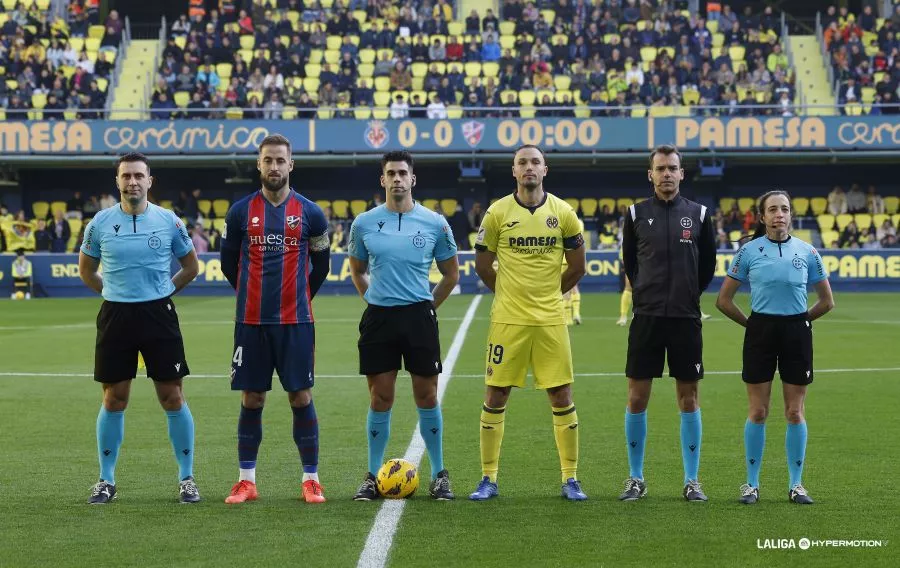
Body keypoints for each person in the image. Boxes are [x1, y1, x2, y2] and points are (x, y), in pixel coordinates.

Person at [78, 152, 200, 504]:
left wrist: (162, 294)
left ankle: (187, 478)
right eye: (126, 176)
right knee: (114, 398)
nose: (132, 181)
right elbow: (86, 270)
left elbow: (190, 266)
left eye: (138, 176)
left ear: (150, 181)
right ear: (117, 181)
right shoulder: (99, 223)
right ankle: (106, 480)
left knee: (172, 395)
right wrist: (113, 294)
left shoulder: (168, 220)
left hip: (158, 315)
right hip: (116, 316)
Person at [470, 144, 588, 501]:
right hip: (508, 320)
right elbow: (482, 265)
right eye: (522, 162)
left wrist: (552, 295)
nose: (529, 168)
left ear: (545, 169)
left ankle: (570, 479)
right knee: (496, 393)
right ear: (514, 171)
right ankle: (488, 478)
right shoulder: (497, 213)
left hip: (551, 319)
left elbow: (578, 267)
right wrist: (507, 294)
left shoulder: (564, 213)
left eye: (535, 162)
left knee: (561, 393)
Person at [219, 134, 331, 505]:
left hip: (296, 322)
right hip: (250, 323)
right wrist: (252, 297)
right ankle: (246, 481)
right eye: (268, 160)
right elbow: (227, 264)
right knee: (252, 398)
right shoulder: (239, 212)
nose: (274, 167)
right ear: (259, 164)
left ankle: (311, 479)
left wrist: (298, 298)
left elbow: (322, 266)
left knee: (300, 397)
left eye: (280, 160)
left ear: (291, 164)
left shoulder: (311, 213)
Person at [348, 150, 460, 501]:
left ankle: (439, 474)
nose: (397, 179)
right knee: (380, 397)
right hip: (379, 318)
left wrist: (428, 307)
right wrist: (373, 300)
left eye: (402, 173)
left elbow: (450, 274)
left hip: (418, 318)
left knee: (427, 396)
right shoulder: (363, 223)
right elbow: (357, 269)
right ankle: (371, 475)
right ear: (382, 180)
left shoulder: (435, 223)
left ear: (413, 179)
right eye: (391, 173)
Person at [716, 190, 834, 505]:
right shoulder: (748, 251)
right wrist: (752, 325)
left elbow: (827, 301)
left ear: (791, 215)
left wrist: (801, 322)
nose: (779, 214)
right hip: (760, 332)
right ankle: (751, 484)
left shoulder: (808, 251)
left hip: (797, 332)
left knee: (795, 412)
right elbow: (723, 301)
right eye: (772, 209)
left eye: (784, 209)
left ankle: (796, 485)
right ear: (763, 216)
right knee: (758, 410)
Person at [620, 144, 717, 502]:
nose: (666, 174)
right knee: (636, 397)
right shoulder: (634, 214)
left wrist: (688, 294)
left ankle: (692, 480)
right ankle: (635, 478)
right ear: (650, 175)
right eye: (659, 169)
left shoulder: (700, 214)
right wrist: (646, 293)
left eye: (672, 168)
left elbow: (707, 265)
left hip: (685, 318)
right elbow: (631, 262)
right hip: (646, 318)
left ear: (681, 173)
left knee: (688, 399)